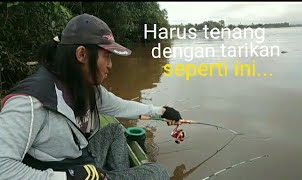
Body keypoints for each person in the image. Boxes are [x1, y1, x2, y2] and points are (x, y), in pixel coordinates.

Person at [0, 13, 183, 180]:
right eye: (107, 57)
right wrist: (68, 177)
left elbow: (122, 106)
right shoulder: (29, 103)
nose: (110, 66)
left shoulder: (87, 87)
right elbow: (3, 167)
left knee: (115, 130)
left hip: (80, 158)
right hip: (62, 172)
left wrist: (162, 112)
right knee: (159, 172)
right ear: (82, 54)